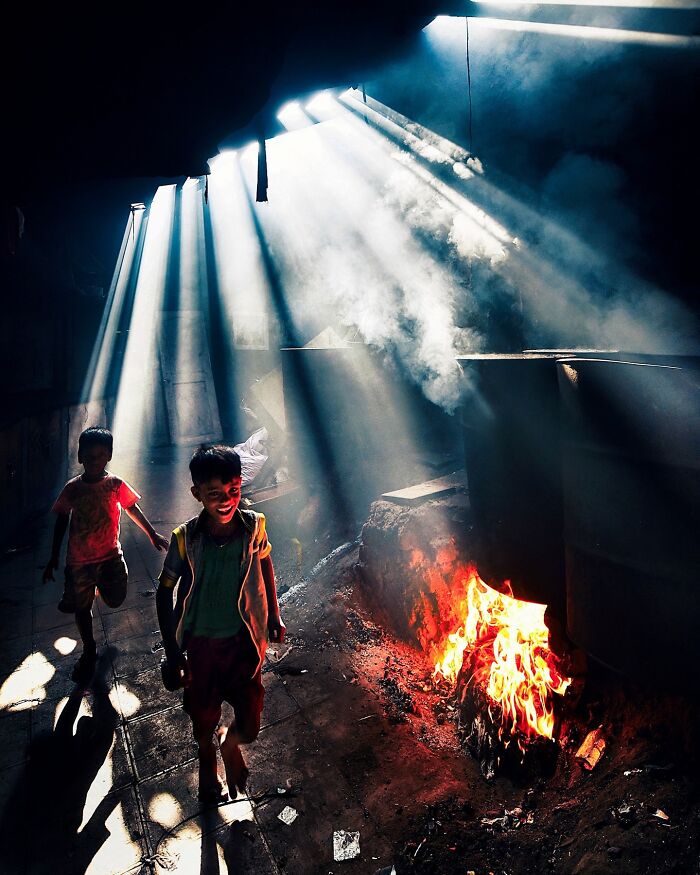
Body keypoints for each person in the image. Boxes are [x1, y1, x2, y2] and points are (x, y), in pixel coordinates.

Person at [156, 444, 285, 804]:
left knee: (251, 720)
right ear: (197, 494)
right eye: (214, 494)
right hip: (200, 646)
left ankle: (230, 745)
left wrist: (273, 613)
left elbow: (265, 564)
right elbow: (163, 592)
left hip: (243, 642)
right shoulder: (186, 539)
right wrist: (172, 653)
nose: (226, 500)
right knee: (203, 715)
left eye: (233, 490)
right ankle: (208, 760)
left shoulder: (253, 526)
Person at [43, 426, 168, 685]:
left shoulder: (114, 485)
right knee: (82, 608)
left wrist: (152, 535)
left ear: (108, 456)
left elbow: (132, 508)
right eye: (88, 455)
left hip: (110, 556)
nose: (94, 460)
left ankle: (96, 589)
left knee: (116, 598)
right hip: (78, 561)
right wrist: (54, 556)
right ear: (79, 456)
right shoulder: (73, 489)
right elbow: (61, 521)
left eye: (100, 455)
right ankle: (89, 648)